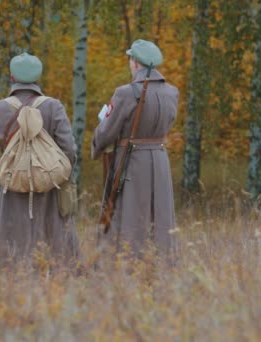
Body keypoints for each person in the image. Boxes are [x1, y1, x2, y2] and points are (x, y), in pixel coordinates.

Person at [92, 39, 179, 256]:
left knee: (127, 213)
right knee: (160, 214)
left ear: (136, 63)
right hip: (160, 160)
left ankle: (127, 264)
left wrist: (97, 144)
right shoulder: (172, 92)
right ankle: (162, 261)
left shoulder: (125, 93)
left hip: (131, 162)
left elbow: (107, 131)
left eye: (130, 59)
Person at [0, 52, 79, 267]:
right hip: (49, 185)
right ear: (37, 77)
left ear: (12, 77)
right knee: (53, 240)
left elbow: (1, 144)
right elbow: (69, 148)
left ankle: (12, 272)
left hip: (14, 184)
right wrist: (60, 174)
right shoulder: (53, 106)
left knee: (13, 244)